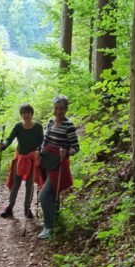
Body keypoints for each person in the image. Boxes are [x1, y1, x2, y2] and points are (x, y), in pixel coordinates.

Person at [38, 95, 79, 239]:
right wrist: (40, 151)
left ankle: (48, 227)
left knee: (43, 195)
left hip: (59, 163)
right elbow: (45, 140)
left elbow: (76, 148)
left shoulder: (69, 126)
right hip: (48, 160)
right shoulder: (50, 122)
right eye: (56, 108)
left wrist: (66, 152)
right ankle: (55, 218)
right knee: (51, 194)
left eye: (61, 109)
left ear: (66, 109)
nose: (58, 111)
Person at [0, 104, 44, 219]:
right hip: (20, 158)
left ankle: (27, 209)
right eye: (24, 113)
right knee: (15, 184)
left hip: (32, 159)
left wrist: (39, 151)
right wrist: (3, 145)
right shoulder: (18, 126)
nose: (26, 115)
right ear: (21, 115)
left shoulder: (38, 127)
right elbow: (10, 139)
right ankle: (9, 207)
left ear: (32, 114)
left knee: (29, 185)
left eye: (28, 112)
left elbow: (42, 142)